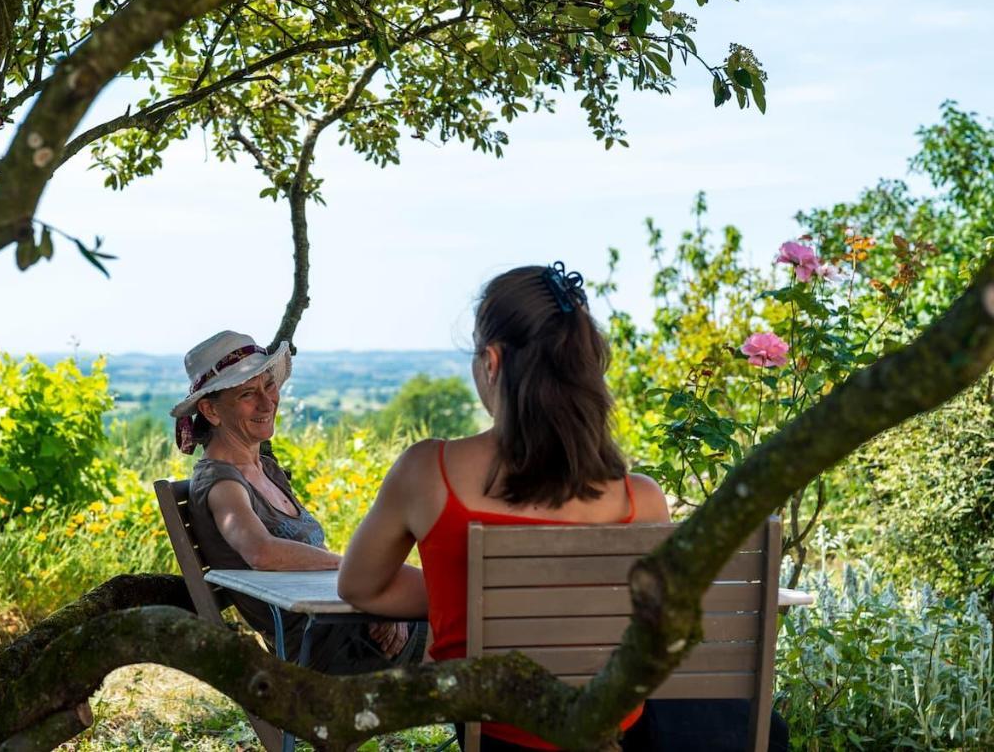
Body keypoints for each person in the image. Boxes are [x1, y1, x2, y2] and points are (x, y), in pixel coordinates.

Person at [336, 263, 671, 751]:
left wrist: (482, 597)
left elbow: (359, 585)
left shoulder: (428, 472)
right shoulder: (642, 500)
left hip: (495, 735)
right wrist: (514, 594)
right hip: (615, 735)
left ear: (491, 361)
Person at [172, 329, 425, 675]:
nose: (267, 402)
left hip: (345, 624)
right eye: (248, 394)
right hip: (324, 653)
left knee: (465, 605)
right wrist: (358, 574)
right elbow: (261, 552)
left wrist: (377, 598)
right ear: (211, 411)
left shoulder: (265, 470)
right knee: (469, 620)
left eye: (268, 386)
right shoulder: (222, 484)